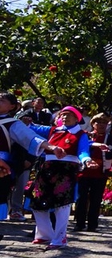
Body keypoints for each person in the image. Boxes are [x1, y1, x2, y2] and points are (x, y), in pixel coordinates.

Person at [26, 106, 93, 249]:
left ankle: (60, 238)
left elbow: (83, 151)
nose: (65, 117)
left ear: (77, 118)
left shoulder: (81, 134)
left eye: (69, 115)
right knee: (38, 202)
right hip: (47, 168)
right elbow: (33, 128)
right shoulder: (52, 131)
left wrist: (86, 160)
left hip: (66, 171)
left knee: (62, 205)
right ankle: (44, 235)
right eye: (62, 115)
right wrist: (27, 122)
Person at [0, 93, 46, 219]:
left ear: (12, 106)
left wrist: (49, 146)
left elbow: (30, 137)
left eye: (2, 100)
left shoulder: (13, 124)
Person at [74, 113, 112, 232]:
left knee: (96, 200)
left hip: (100, 173)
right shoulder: (85, 136)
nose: (101, 125)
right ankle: (79, 223)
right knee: (81, 199)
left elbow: (111, 151)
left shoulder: (110, 138)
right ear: (93, 124)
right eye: (98, 122)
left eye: (104, 123)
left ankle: (92, 224)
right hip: (84, 173)